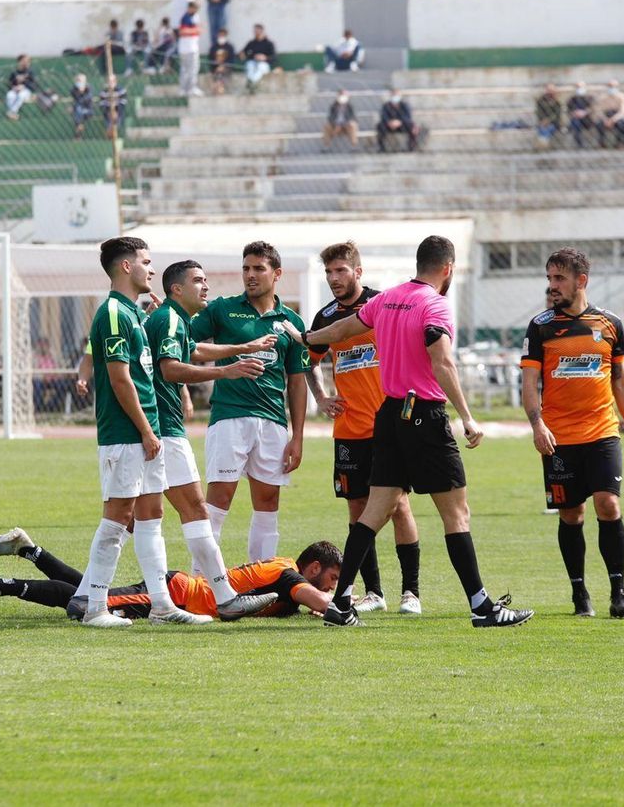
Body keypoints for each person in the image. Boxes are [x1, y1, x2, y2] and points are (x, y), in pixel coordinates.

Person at [287, 235, 534, 629]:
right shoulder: (434, 304)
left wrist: (305, 337)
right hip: (424, 416)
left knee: (372, 513)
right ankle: (481, 606)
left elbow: (342, 328)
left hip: (388, 417)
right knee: (456, 514)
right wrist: (467, 416)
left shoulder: (386, 299)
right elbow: (443, 362)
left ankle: (342, 603)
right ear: (447, 269)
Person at [69, 236, 209, 627]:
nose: (152, 269)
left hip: (147, 432)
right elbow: (119, 380)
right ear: (126, 267)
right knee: (118, 517)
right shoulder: (113, 313)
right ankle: (95, 608)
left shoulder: (132, 313)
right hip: (126, 433)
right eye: (146, 261)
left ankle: (162, 606)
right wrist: (147, 430)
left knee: (151, 515)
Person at [135, 259, 286, 619]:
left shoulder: (171, 319)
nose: (206, 286)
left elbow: (192, 351)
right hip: (164, 429)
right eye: (199, 280)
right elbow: (170, 367)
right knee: (188, 510)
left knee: (139, 516)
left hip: (159, 427)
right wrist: (230, 371)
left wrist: (241, 349)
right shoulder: (169, 318)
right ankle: (217, 596)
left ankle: (106, 598)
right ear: (177, 289)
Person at [520, 247, 624, 620]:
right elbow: (528, 384)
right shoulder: (540, 327)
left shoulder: (609, 325)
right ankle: (579, 593)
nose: (552, 286)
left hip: (603, 433)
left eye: (559, 279)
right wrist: (537, 424)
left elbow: (621, 382)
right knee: (571, 514)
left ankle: (618, 592)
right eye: (549, 279)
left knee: (608, 504)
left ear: (581, 281)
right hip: (558, 439)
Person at [308, 242, 422, 615]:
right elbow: (307, 360)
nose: (334, 279)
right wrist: (321, 398)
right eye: (329, 273)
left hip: (388, 425)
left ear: (358, 271)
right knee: (358, 509)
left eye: (341, 271)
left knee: (398, 505)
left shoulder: (384, 305)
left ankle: (411, 592)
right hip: (348, 428)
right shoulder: (325, 318)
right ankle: (375, 592)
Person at [189, 241, 310, 563]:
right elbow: (186, 342)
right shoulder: (222, 309)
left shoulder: (292, 322)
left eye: (259, 268)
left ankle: (263, 580)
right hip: (230, 417)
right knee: (218, 500)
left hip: (273, 422)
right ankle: (202, 582)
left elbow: (297, 381)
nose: (250, 275)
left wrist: (297, 436)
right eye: (246, 268)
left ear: (277, 273)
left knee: (269, 503)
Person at [0, 531, 339, 621]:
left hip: (185, 592)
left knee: (90, 591)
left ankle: (28, 549)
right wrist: (342, 609)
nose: (332, 586)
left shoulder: (287, 569)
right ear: (313, 569)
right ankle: (1, 584)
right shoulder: (290, 577)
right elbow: (321, 602)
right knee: (84, 604)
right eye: (333, 578)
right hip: (180, 597)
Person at [5, 54, 55, 119]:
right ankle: (13, 114)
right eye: (23, 61)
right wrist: (14, 87)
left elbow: (34, 85)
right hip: (15, 90)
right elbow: (10, 83)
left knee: (21, 95)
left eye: (27, 61)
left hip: (26, 91)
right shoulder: (14, 72)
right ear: (19, 62)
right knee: (10, 95)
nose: (25, 63)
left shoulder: (31, 72)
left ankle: (12, 112)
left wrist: (24, 85)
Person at [376, 89, 420, 153]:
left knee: (412, 126)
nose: (395, 97)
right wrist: (389, 122)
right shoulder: (386, 106)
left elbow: (408, 117)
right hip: (389, 126)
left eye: (397, 95)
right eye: (393, 95)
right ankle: (382, 148)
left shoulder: (404, 105)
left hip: (402, 126)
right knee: (380, 126)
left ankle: (411, 147)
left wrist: (399, 122)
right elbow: (383, 116)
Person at [177, 1, 204, 97]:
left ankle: (190, 88)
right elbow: (182, 31)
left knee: (192, 69)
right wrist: (195, 30)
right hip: (187, 48)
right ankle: (185, 89)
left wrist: (197, 30)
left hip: (192, 47)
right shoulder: (186, 18)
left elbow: (199, 30)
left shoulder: (195, 17)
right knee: (187, 69)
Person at [595, 80, 624, 148]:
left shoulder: (622, 96)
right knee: (598, 124)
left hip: (618, 116)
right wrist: (605, 119)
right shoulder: (602, 97)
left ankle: (621, 143)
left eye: (614, 86)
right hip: (606, 115)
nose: (612, 88)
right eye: (610, 86)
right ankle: (601, 143)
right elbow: (599, 111)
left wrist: (613, 119)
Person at [242, 24, 276, 93]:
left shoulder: (269, 43)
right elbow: (244, 53)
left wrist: (265, 57)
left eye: (258, 31)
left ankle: (252, 82)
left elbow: (274, 57)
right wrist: (254, 56)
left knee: (260, 67)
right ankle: (252, 83)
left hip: (264, 64)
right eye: (255, 31)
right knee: (250, 65)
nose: (256, 32)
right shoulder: (251, 43)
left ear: (262, 31)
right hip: (253, 62)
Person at [96, 73, 129, 138]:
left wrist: (116, 110)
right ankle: (111, 134)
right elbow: (101, 104)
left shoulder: (121, 90)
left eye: (112, 81)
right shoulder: (104, 92)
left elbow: (123, 102)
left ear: (115, 81)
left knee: (116, 121)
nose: (110, 83)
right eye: (109, 81)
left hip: (118, 112)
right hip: (107, 113)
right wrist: (108, 111)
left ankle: (110, 134)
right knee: (109, 122)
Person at [566, 83, 595, 149]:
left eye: (581, 87)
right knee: (576, 123)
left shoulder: (589, 98)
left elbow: (593, 109)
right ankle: (580, 144)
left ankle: (569, 129)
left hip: (587, 119)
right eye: (578, 87)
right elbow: (569, 110)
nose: (579, 89)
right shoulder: (572, 99)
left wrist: (584, 112)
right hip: (576, 118)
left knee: (574, 124)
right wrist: (574, 113)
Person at [208, 28, 237, 95]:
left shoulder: (230, 47)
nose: (221, 37)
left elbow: (231, 60)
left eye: (223, 35)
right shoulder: (213, 47)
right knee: (217, 74)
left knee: (222, 75)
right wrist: (216, 66)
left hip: (226, 69)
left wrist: (223, 66)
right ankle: (218, 88)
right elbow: (210, 59)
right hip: (215, 69)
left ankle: (219, 87)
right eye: (220, 35)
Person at [69, 74, 94, 139]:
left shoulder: (89, 88)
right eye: (78, 80)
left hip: (88, 110)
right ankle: (79, 129)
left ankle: (78, 130)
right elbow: (76, 98)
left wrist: (82, 92)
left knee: (78, 108)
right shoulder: (74, 89)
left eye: (82, 81)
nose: (80, 82)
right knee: (78, 108)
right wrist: (79, 92)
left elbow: (87, 99)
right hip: (78, 110)